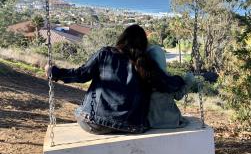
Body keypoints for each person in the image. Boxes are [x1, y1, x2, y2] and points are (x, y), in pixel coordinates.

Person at [45, 24, 186, 135]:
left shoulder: (106, 54)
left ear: (122, 39)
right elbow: (168, 84)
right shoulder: (146, 64)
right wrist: (183, 79)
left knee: (83, 110)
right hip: (131, 126)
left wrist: (54, 72)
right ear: (144, 45)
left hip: (94, 123)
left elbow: (81, 74)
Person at [147, 44, 193, 128]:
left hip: (150, 122)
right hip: (172, 121)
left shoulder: (140, 80)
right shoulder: (168, 81)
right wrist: (188, 82)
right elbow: (178, 96)